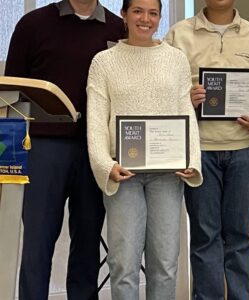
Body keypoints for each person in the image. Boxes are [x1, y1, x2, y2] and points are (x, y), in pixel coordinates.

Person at [4, 0, 123, 298]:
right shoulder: (33, 24)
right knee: (37, 243)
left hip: (94, 149)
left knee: (87, 241)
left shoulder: (117, 27)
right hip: (42, 148)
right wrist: (8, 156)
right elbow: (10, 93)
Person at [86, 0, 202, 298]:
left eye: (153, 13)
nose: (145, 19)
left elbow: (185, 112)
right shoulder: (104, 61)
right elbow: (97, 121)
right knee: (123, 263)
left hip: (167, 174)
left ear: (160, 17)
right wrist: (105, 164)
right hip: (123, 174)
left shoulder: (175, 59)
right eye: (138, 11)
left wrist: (191, 158)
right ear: (124, 15)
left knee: (165, 263)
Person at [164, 0, 249, 298]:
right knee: (204, 237)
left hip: (245, 149)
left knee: (240, 237)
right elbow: (165, 92)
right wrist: (187, 98)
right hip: (200, 151)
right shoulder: (178, 34)